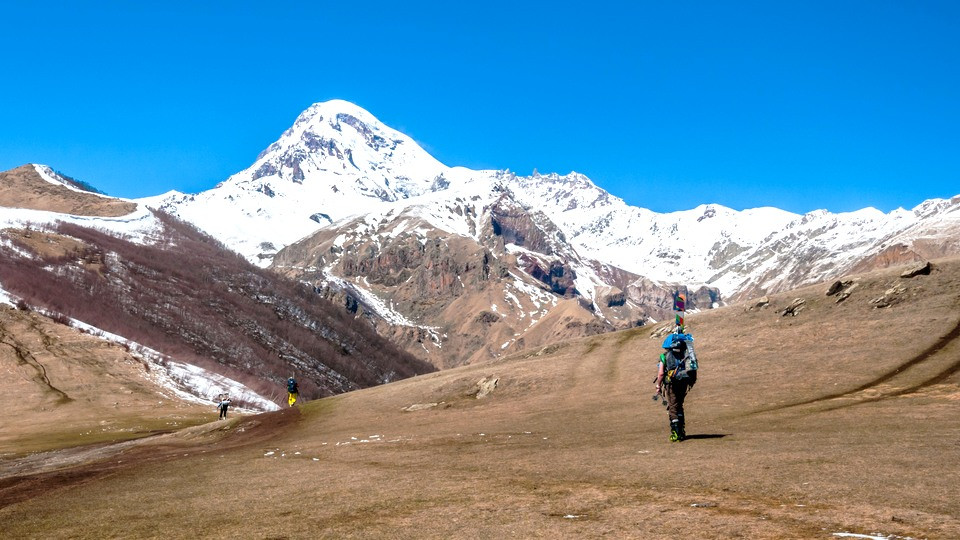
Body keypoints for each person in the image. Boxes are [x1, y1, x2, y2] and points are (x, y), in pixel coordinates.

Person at [653, 334, 697, 442]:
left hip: (672, 384)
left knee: (673, 407)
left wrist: (658, 385)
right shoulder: (684, 354)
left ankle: (676, 433)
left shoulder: (664, 356)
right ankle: (681, 431)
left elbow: (661, 374)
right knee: (679, 405)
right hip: (684, 382)